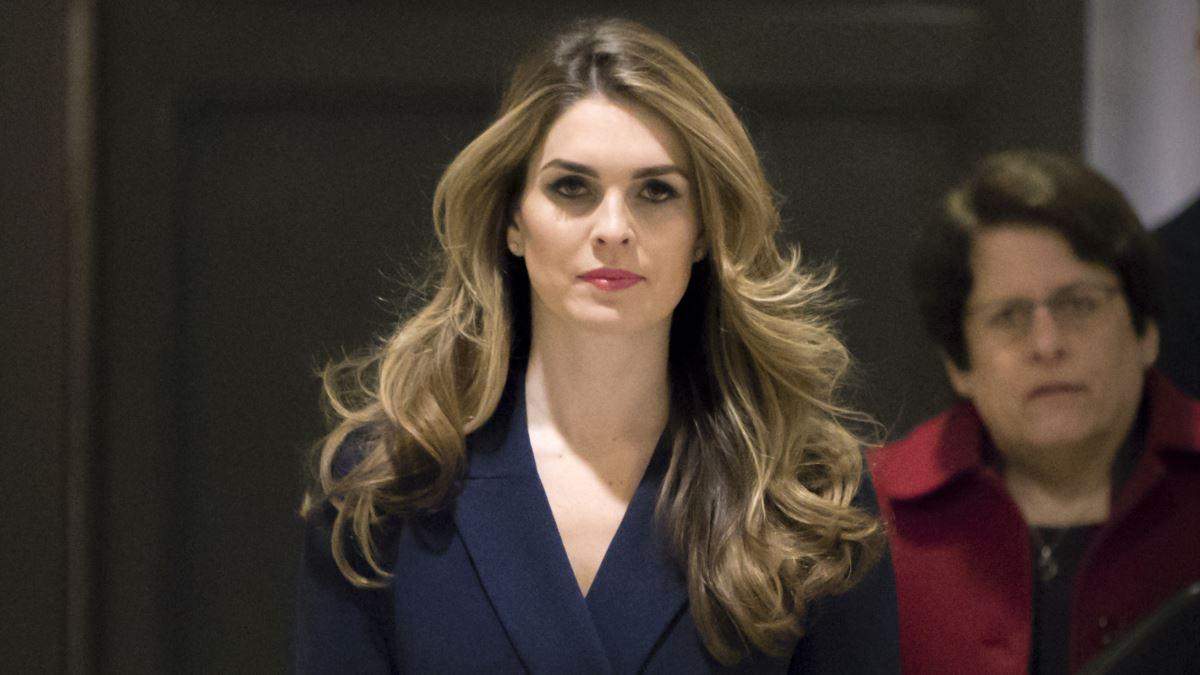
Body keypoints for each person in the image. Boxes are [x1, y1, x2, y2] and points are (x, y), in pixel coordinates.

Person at [294, 18, 898, 673]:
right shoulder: (386, 483)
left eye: (656, 191)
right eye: (571, 187)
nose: (613, 228)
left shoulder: (806, 492)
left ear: (703, 231)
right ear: (513, 220)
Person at [871, 150, 1200, 673]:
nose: (1047, 345)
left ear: (1146, 332)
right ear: (959, 364)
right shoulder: (868, 517)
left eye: (1079, 304)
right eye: (1009, 316)